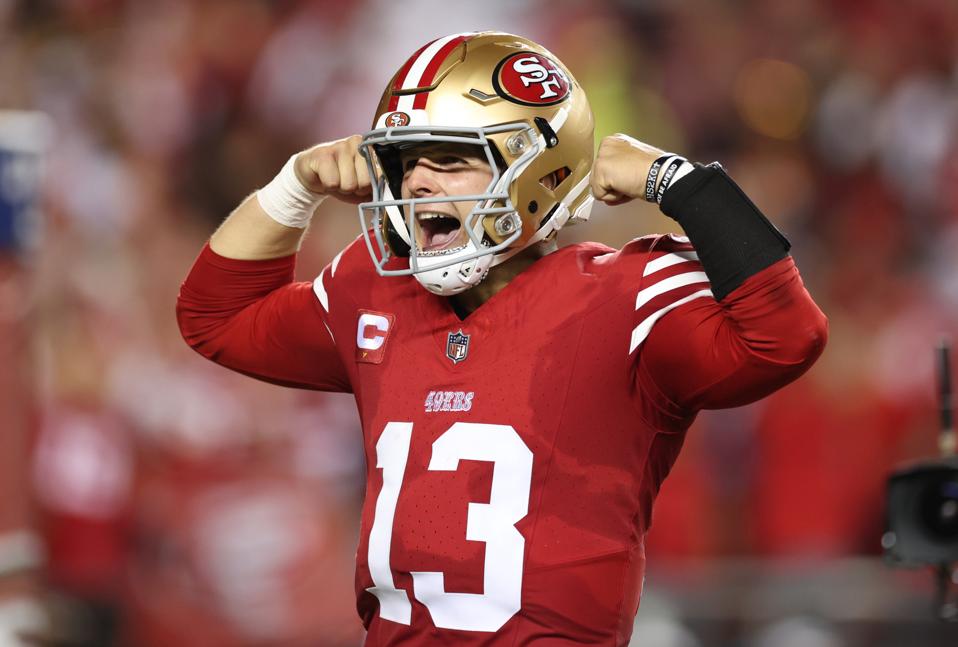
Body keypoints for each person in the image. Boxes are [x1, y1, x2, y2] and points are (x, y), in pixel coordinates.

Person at [177, 31, 827, 646]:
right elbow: (214, 317)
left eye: (452, 160)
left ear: (542, 175)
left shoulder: (622, 293)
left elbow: (786, 334)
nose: (418, 183)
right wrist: (296, 186)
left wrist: (682, 183)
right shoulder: (376, 286)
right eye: (406, 163)